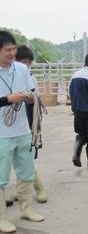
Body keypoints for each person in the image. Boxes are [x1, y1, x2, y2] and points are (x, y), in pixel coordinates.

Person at [0, 30, 44, 233]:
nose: (12, 53)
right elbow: (8, 98)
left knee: (26, 173)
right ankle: (2, 218)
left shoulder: (21, 69)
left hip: (23, 130)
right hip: (2, 135)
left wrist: (27, 97)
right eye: (8, 50)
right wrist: (8, 99)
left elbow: (32, 92)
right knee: (1, 178)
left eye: (13, 49)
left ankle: (26, 209)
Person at [15, 45, 48, 203]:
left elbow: (34, 103)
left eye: (28, 62)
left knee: (25, 158)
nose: (25, 65)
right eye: (22, 61)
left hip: (25, 122)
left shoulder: (29, 77)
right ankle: (20, 191)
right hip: (7, 124)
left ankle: (39, 189)